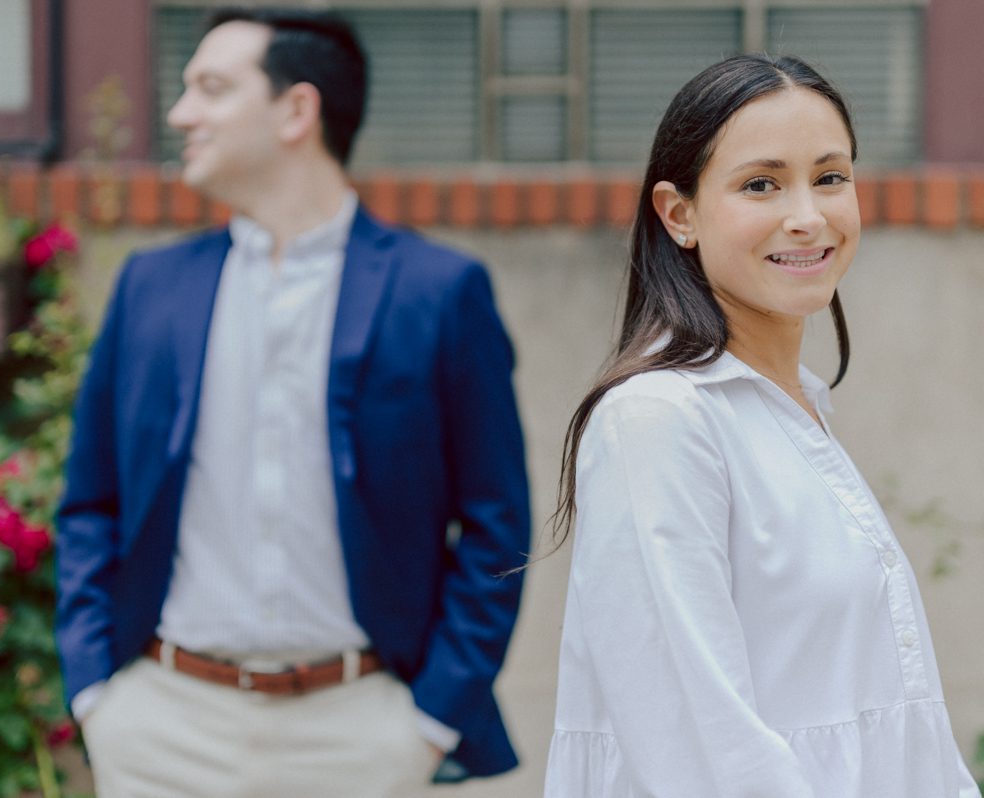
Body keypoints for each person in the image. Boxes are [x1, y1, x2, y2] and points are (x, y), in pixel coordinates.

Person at [54, 7, 530, 797]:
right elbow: (89, 503)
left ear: (296, 110)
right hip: (160, 728)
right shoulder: (151, 289)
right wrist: (97, 695)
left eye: (210, 88)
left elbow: (495, 524)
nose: (180, 114)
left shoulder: (438, 293)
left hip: (360, 735)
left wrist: (428, 722)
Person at [543, 53, 981, 798]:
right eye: (760, 184)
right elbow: (698, 746)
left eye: (831, 177)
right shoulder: (659, 420)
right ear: (678, 214)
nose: (807, 215)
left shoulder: (794, 409)